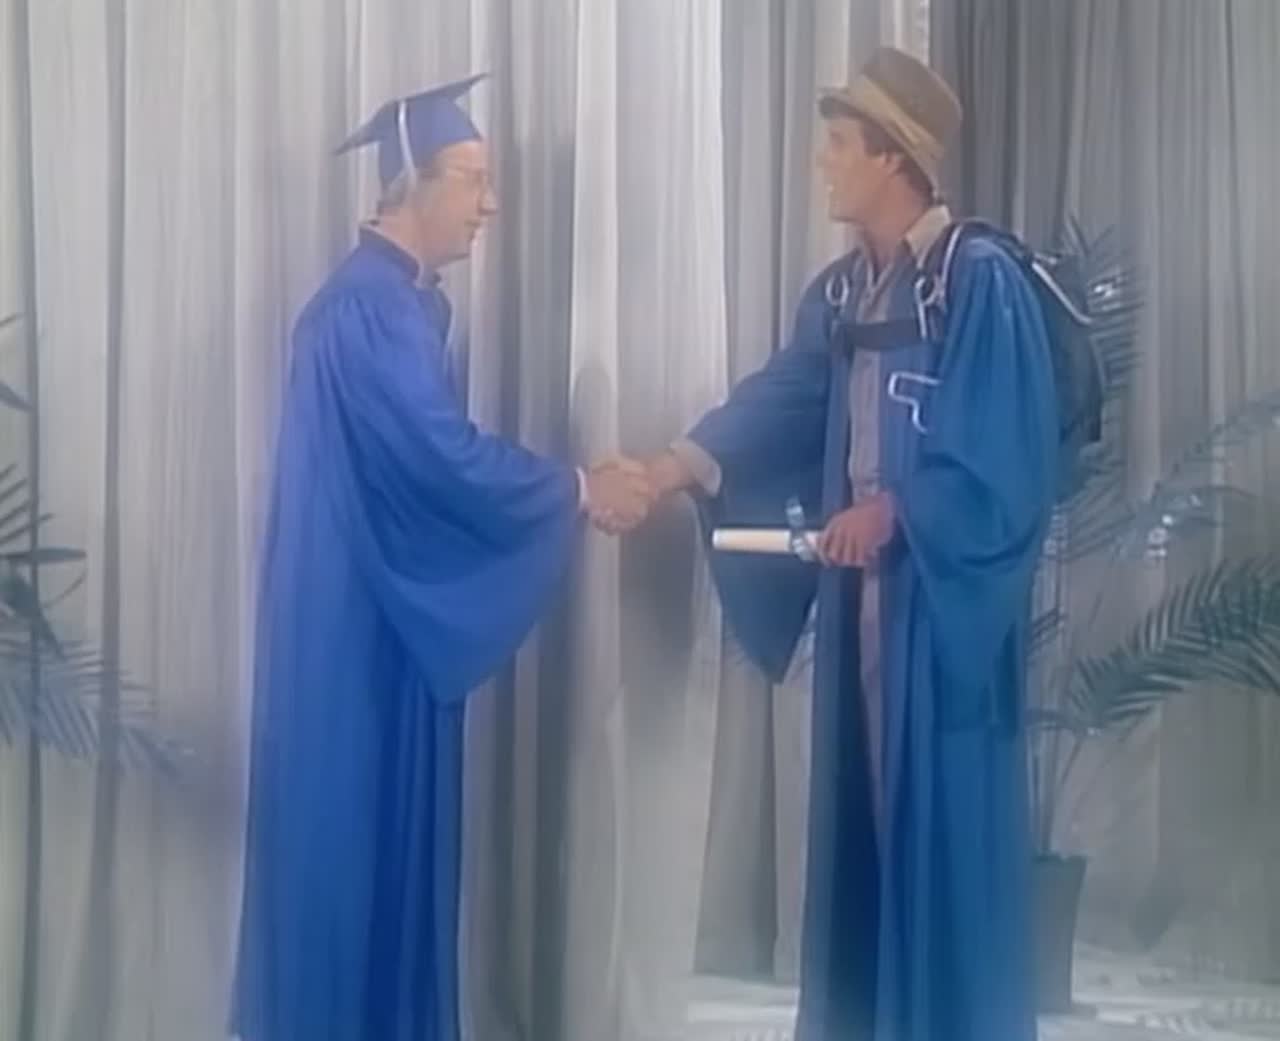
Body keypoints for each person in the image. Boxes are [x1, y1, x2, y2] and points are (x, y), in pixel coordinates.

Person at [629, 48, 1058, 1041]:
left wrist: (896, 510)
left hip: (934, 612)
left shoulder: (977, 281)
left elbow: (1003, 449)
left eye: (837, 145)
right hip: (862, 600)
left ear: (892, 159)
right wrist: (669, 467)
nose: (822, 162)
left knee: (941, 826)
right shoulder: (840, 294)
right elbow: (785, 400)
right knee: (862, 823)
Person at [231, 75, 649, 1041]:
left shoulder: (397, 303)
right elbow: (439, 460)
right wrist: (576, 488)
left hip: (372, 611)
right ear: (411, 182)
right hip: (354, 629)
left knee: (369, 848)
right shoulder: (369, 310)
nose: (489, 204)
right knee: (347, 850)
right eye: (471, 178)